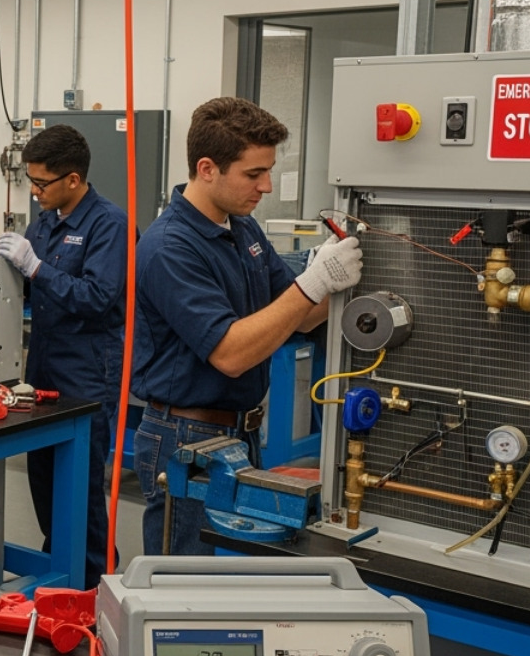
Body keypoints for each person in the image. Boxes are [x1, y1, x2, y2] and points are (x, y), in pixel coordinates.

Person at [132, 97, 362, 556]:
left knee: (231, 580)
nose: (267, 186)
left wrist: (335, 281)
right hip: (185, 438)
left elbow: (296, 317)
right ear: (207, 168)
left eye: (269, 170)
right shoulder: (169, 246)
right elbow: (232, 354)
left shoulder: (243, 229)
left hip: (240, 433)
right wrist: (313, 281)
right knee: (185, 586)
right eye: (253, 174)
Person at [0, 125, 126, 588]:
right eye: (30, 180)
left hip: (88, 370)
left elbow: (98, 297)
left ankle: (93, 584)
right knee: (43, 478)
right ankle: (59, 566)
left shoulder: (110, 224)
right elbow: (32, 287)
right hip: (43, 366)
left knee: (81, 488)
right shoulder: (44, 222)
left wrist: (36, 267)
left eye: (41, 183)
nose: (33, 191)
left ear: (73, 179)